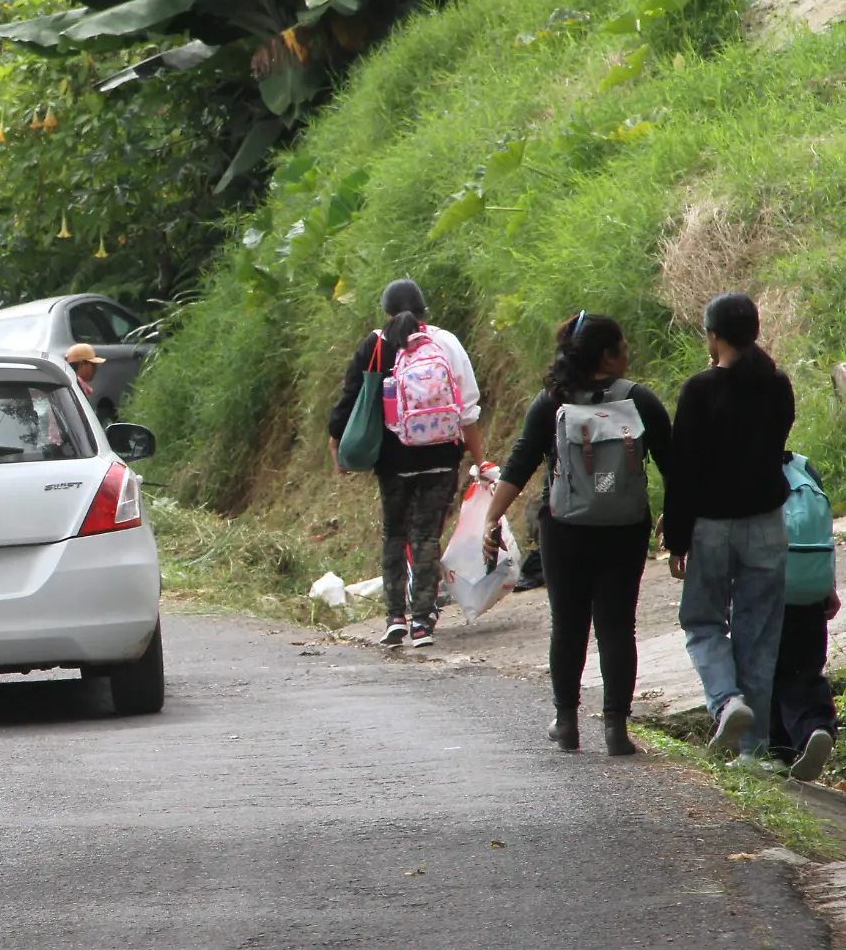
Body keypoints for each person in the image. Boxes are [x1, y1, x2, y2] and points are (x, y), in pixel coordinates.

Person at [482, 313, 671, 756]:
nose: (628, 353)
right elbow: (674, 465)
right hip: (624, 528)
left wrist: (492, 517)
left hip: (565, 528)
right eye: (623, 346)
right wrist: (674, 521)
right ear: (607, 355)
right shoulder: (640, 401)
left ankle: (566, 721)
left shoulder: (551, 403)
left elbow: (521, 463)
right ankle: (616, 729)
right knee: (617, 627)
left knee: (568, 626)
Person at [665, 292, 796, 761]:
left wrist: (676, 537)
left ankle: (726, 701)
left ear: (714, 335)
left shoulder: (699, 389)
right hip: (766, 524)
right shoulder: (778, 384)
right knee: (758, 636)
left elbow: (683, 470)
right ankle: (753, 754)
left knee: (702, 623)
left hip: (711, 527)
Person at [326, 279, 486, 649]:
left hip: (395, 458)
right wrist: (481, 460)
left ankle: (395, 619)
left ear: (385, 311)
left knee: (395, 534)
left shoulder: (375, 344)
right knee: (427, 536)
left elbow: (350, 397)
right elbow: (469, 407)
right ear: (424, 309)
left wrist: (337, 442)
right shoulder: (445, 342)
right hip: (442, 454)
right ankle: (422, 624)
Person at [771, 453, 839, 780]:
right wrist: (829, 585)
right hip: (811, 585)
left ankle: (777, 750)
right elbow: (823, 532)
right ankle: (816, 727)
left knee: (767, 669)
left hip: (768, 588)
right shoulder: (804, 467)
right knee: (805, 666)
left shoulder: (744, 466)